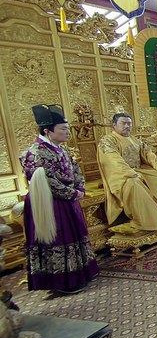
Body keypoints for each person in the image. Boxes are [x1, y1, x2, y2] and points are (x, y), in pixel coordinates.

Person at [19, 104, 98, 293]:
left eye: (68, 128)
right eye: (63, 129)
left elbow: (75, 168)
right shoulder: (36, 152)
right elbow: (48, 182)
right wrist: (72, 193)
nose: (68, 133)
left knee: (73, 236)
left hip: (68, 200)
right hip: (49, 203)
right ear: (47, 131)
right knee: (57, 240)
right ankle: (61, 282)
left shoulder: (61, 149)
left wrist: (80, 188)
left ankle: (78, 274)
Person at [97, 113, 157, 233]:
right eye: (123, 123)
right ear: (114, 125)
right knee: (134, 183)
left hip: (138, 170)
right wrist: (129, 172)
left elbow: (148, 153)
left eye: (129, 123)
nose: (127, 126)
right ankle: (153, 221)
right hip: (120, 175)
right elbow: (113, 160)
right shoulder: (107, 141)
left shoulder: (134, 140)